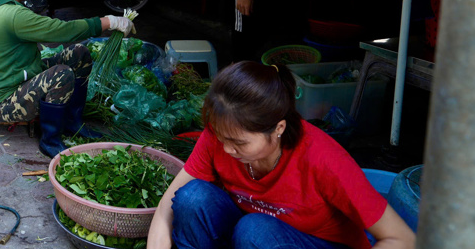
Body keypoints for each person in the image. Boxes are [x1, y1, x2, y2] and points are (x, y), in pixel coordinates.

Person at [147, 61, 415, 249]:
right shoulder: (222, 133)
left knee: (255, 231)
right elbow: (165, 209)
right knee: (193, 197)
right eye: (221, 137)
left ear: (279, 128)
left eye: (239, 143)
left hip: (309, 242)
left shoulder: (325, 161)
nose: (227, 149)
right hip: (251, 236)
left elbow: (403, 239)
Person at [0, 0, 135, 158]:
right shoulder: (13, 15)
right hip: (6, 103)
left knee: (79, 53)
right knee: (61, 74)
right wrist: (109, 22)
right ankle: (50, 140)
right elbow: (63, 30)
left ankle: (72, 123)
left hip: (17, 77)